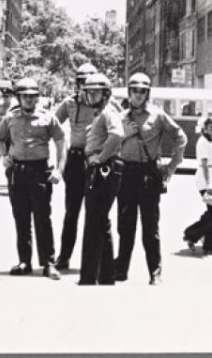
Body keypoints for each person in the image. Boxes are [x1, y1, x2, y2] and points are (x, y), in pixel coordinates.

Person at [114, 72, 186, 285]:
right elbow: (108, 142)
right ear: (129, 92)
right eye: (134, 90)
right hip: (125, 173)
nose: (138, 95)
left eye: (142, 91)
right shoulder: (121, 117)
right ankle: (121, 269)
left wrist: (172, 166)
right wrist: (123, 135)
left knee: (150, 227)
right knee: (125, 226)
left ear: (148, 93)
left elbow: (180, 137)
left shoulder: (157, 115)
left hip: (148, 175)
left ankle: (155, 272)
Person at [0, 77, 66, 280]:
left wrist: (59, 169)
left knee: (42, 219)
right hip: (17, 172)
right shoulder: (10, 118)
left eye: (32, 97)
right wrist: (4, 155)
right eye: (25, 96)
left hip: (40, 172)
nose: (29, 100)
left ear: (37, 98)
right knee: (21, 217)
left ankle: (48, 263)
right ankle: (25, 260)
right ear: (19, 97)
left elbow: (61, 141)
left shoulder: (48, 118)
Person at [52, 60, 100, 270]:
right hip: (75, 159)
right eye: (82, 82)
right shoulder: (70, 103)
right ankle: (64, 256)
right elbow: (51, 123)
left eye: (90, 83)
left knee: (97, 214)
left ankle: (94, 259)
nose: (86, 88)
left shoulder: (107, 104)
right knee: (72, 212)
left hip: (97, 161)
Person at [76, 73, 123, 285]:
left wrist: (100, 158)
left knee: (94, 222)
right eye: (89, 92)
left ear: (106, 94)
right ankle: (106, 275)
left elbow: (117, 135)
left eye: (96, 92)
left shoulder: (108, 112)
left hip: (104, 168)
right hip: (102, 167)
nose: (91, 95)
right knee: (100, 221)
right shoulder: (101, 113)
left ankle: (89, 277)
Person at [184, 117, 212, 255]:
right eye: (211, 127)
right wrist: (209, 185)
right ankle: (191, 233)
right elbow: (205, 164)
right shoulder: (203, 142)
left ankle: (208, 244)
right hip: (205, 178)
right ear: (205, 128)